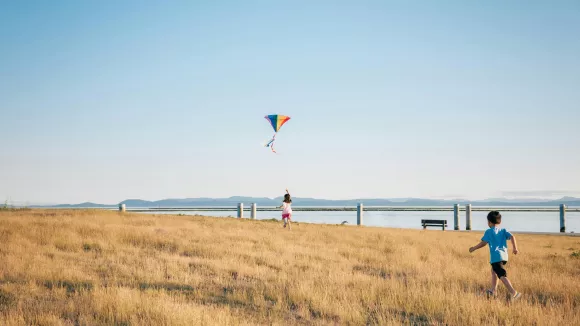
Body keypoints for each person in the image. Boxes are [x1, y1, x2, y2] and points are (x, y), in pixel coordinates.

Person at [469, 211, 521, 300]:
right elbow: (512, 237)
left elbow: (484, 243)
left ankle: (514, 293)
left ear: (489, 222)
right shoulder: (503, 230)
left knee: (502, 275)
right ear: (499, 221)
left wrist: (474, 248)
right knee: (494, 271)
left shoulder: (489, 231)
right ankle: (493, 290)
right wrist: (515, 248)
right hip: (504, 256)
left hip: (496, 257)